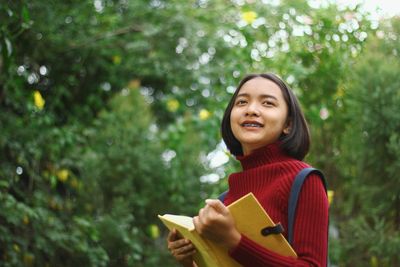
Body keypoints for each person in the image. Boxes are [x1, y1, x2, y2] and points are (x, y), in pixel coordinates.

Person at [167, 73, 329, 267]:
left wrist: (233, 240)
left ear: (288, 124)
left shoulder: (304, 181)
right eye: (242, 102)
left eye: (267, 103)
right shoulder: (224, 200)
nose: (251, 110)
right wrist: (189, 262)